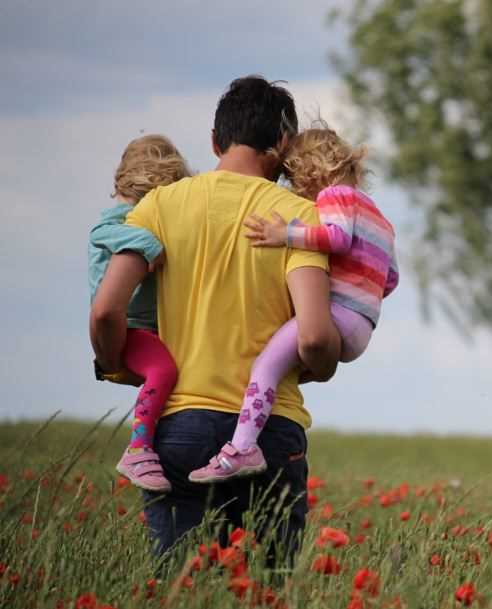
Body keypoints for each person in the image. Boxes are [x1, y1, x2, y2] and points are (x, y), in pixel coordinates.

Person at [89, 75, 340, 563]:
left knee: (181, 587)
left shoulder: (159, 206)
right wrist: (324, 363)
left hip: (178, 426)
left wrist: (116, 361)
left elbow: (105, 309)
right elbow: (313, 337)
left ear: (214, 141)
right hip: (270, 432)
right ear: (283, 145)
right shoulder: (299, 218)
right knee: (266, 590)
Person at [189, 122, 399, 484]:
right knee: (284, 366)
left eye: (296, 178)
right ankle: (254, 429)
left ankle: (241, 448)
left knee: (265, 366)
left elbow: (335, 238)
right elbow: (391, 278)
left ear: (315, 169)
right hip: (363, 325)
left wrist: (283, 234)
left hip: (338, 316)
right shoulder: (380, 218)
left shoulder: (336, 197)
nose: (296, 189)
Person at [88, 134, 189, 492]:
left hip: (144, 328)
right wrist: (149, 245)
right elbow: (103, 232)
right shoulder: (120, 218)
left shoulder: (134, 215)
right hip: (129, 328)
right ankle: (138, 447)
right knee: (163, 369)